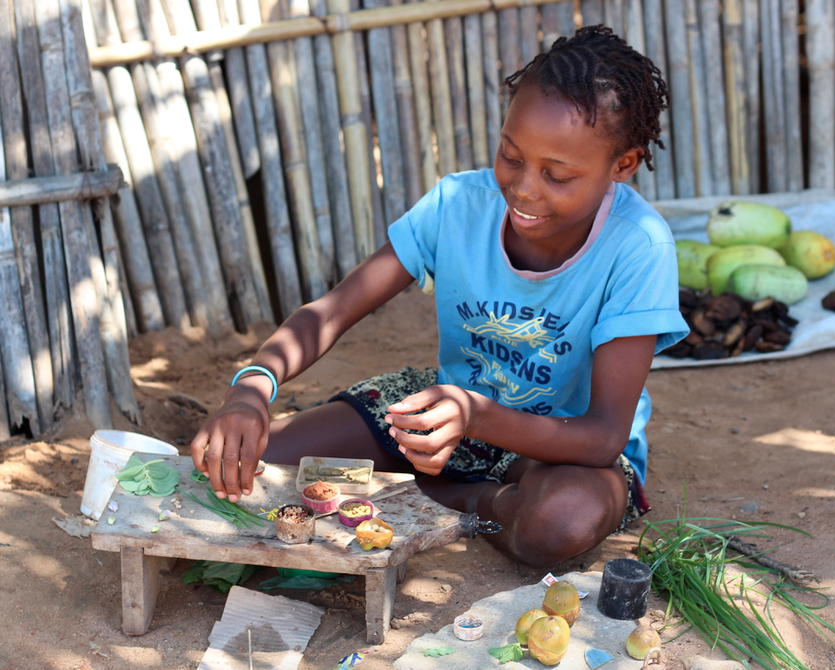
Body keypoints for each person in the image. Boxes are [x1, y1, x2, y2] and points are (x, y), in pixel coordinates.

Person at [191, 25, 689, 567]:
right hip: (444, 415)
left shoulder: (638, 246)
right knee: (249, 464)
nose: (524, 188)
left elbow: (602, 437)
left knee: (559, 521)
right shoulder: (457, 205)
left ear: (623, 164)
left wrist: (475, 416)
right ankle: (438, 491)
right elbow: (331, 312)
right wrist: (252, 388)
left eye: (558, 175)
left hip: (560, 451)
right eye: (512, 155)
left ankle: (465, 501)